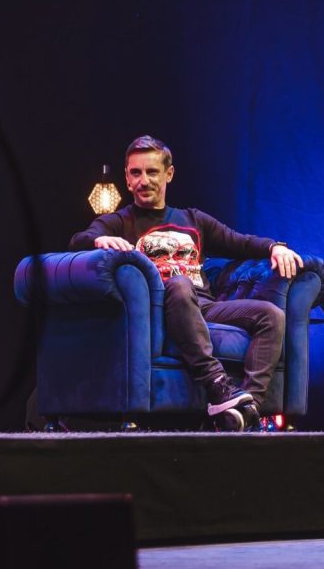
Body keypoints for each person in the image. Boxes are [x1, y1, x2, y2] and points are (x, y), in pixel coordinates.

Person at [69, 135, 304, 431]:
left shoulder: (193, 219)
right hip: (160, 310)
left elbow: (240, 242)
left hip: (203, 306)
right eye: (135, 173)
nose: (143, 181)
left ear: (169, 174)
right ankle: (218, 386)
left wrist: (275, 246)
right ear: (127, 179)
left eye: (152, 172)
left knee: (272, 315)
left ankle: (246, 409)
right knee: (178, 284)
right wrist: (98, 239)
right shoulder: (119, 222)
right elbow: (78, 240)